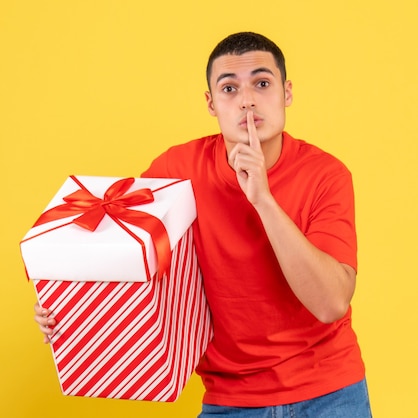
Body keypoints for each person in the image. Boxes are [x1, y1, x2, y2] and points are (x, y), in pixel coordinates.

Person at [33, 32, 372, 417]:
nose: (247, 100)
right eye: (229, 89)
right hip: (230, 398)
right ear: (211, 103)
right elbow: (125, 254)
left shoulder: (326, 175)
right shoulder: (176, 171)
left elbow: (331, 303)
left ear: (286, 93)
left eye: (262, 84)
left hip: (329, 392)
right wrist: (69, 303)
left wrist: (262, 198)